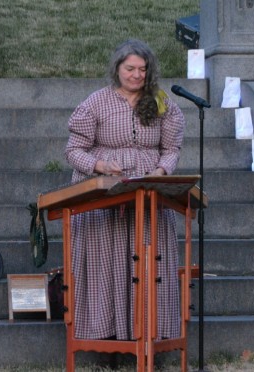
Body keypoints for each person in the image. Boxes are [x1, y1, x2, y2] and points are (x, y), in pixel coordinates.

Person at [65, 39, 185, 341]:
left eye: (143, 69)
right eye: (130, 68)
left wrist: (161, 171)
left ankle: (147, 333)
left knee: (148, 262)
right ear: (117, 68)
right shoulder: (95, 102)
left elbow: (171, 149)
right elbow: (74, 150)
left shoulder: (162, 103)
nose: (136, 75)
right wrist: (101, 166)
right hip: (105, 200)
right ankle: (104, 333)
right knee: (107, 264)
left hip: (149, 197)